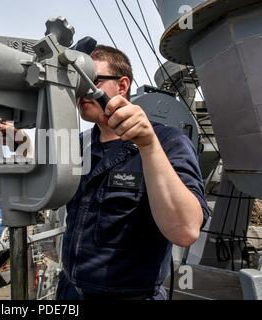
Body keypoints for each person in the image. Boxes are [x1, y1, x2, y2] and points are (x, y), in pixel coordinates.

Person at [56, 45, 210, 300]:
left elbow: (186, 230)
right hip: (69, 291)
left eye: (92, 80)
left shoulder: (168, 141)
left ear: (122, 84)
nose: (82, 91)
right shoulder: (79, 144)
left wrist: (148, 145)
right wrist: (19, 141)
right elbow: (43, 176)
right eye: (77, 82)